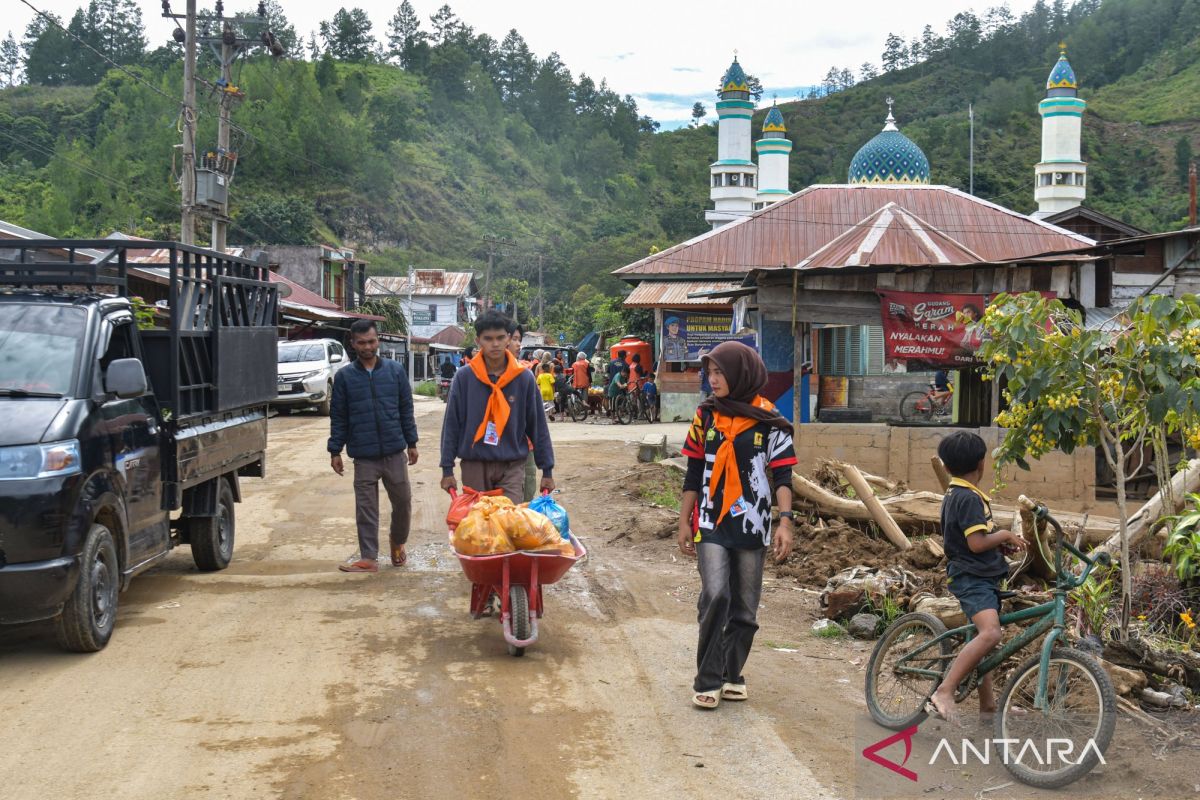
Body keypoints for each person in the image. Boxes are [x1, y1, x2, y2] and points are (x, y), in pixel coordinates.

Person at [676, 341, 796, 709]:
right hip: (710, 520)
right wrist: (683, 520)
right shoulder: (706, 416)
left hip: (752, 523)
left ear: (741, 374)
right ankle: (707, 679)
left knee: (744, 607)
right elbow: (694, 470)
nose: (713, 380)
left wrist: (785, 522)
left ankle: (731, 673)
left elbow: (782, 476)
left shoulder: (769, 419)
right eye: (709, 373)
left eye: (720, 373)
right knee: (715, 595)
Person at [927, 431, 1027, 723]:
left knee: (985, 640)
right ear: (982, 464)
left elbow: (977, 537)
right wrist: (1006, 533)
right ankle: (944, 691)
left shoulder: (958, 494)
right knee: (991, 633)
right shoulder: (969, 499)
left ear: (945, 466)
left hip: (978, 574)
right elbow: (976, 544)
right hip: (972, 578)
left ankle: (988, 707)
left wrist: (1000, 543)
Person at [328, 320, 419, 573]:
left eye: (371, 341)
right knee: (366, 508)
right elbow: (339, 416)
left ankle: (397, 542)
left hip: (394, 451)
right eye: (362, 342)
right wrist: (335, 450)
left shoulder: (395, 371)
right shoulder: (345, 377)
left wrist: (411, 442)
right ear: (353, 344)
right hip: (363, 455)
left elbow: (405, 409)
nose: (368, 347)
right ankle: (368, 557)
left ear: (378, 340)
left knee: (403, 502)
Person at [440, 311, 554, 503]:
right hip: (474, 464)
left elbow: (538, 426)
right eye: (488, 338)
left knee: (509, 525)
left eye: (500, 338)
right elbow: (452, 424)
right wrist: (447, 468)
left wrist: (547, 470)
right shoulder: (465, 378)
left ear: (508, 338)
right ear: (478, 340)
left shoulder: (523, 378)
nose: (495, 344)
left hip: (511, 465)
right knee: (479, 527)